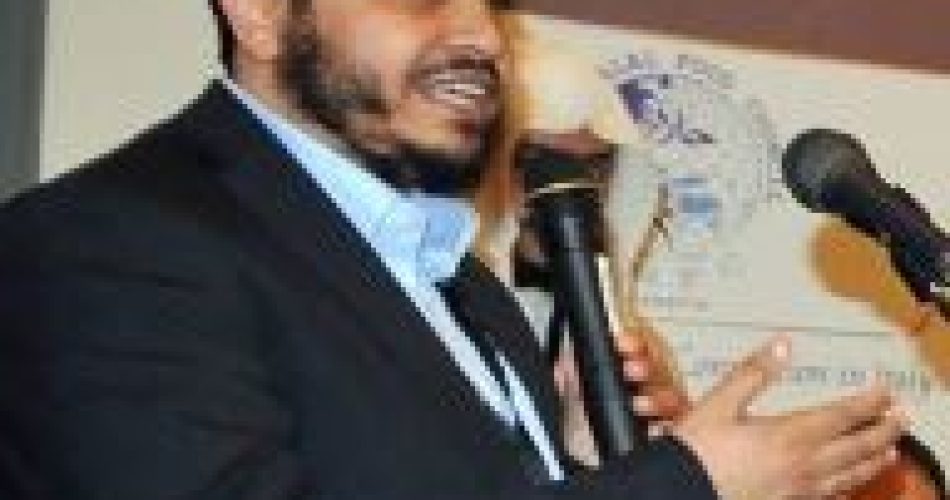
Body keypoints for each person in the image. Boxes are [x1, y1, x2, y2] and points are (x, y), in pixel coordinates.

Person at [0, 0, 904, 498]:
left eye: (490, 3)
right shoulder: (103, 245)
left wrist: (587, 460)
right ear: (263, 15)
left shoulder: (466, 289)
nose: (479, 36)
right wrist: (683, 487)